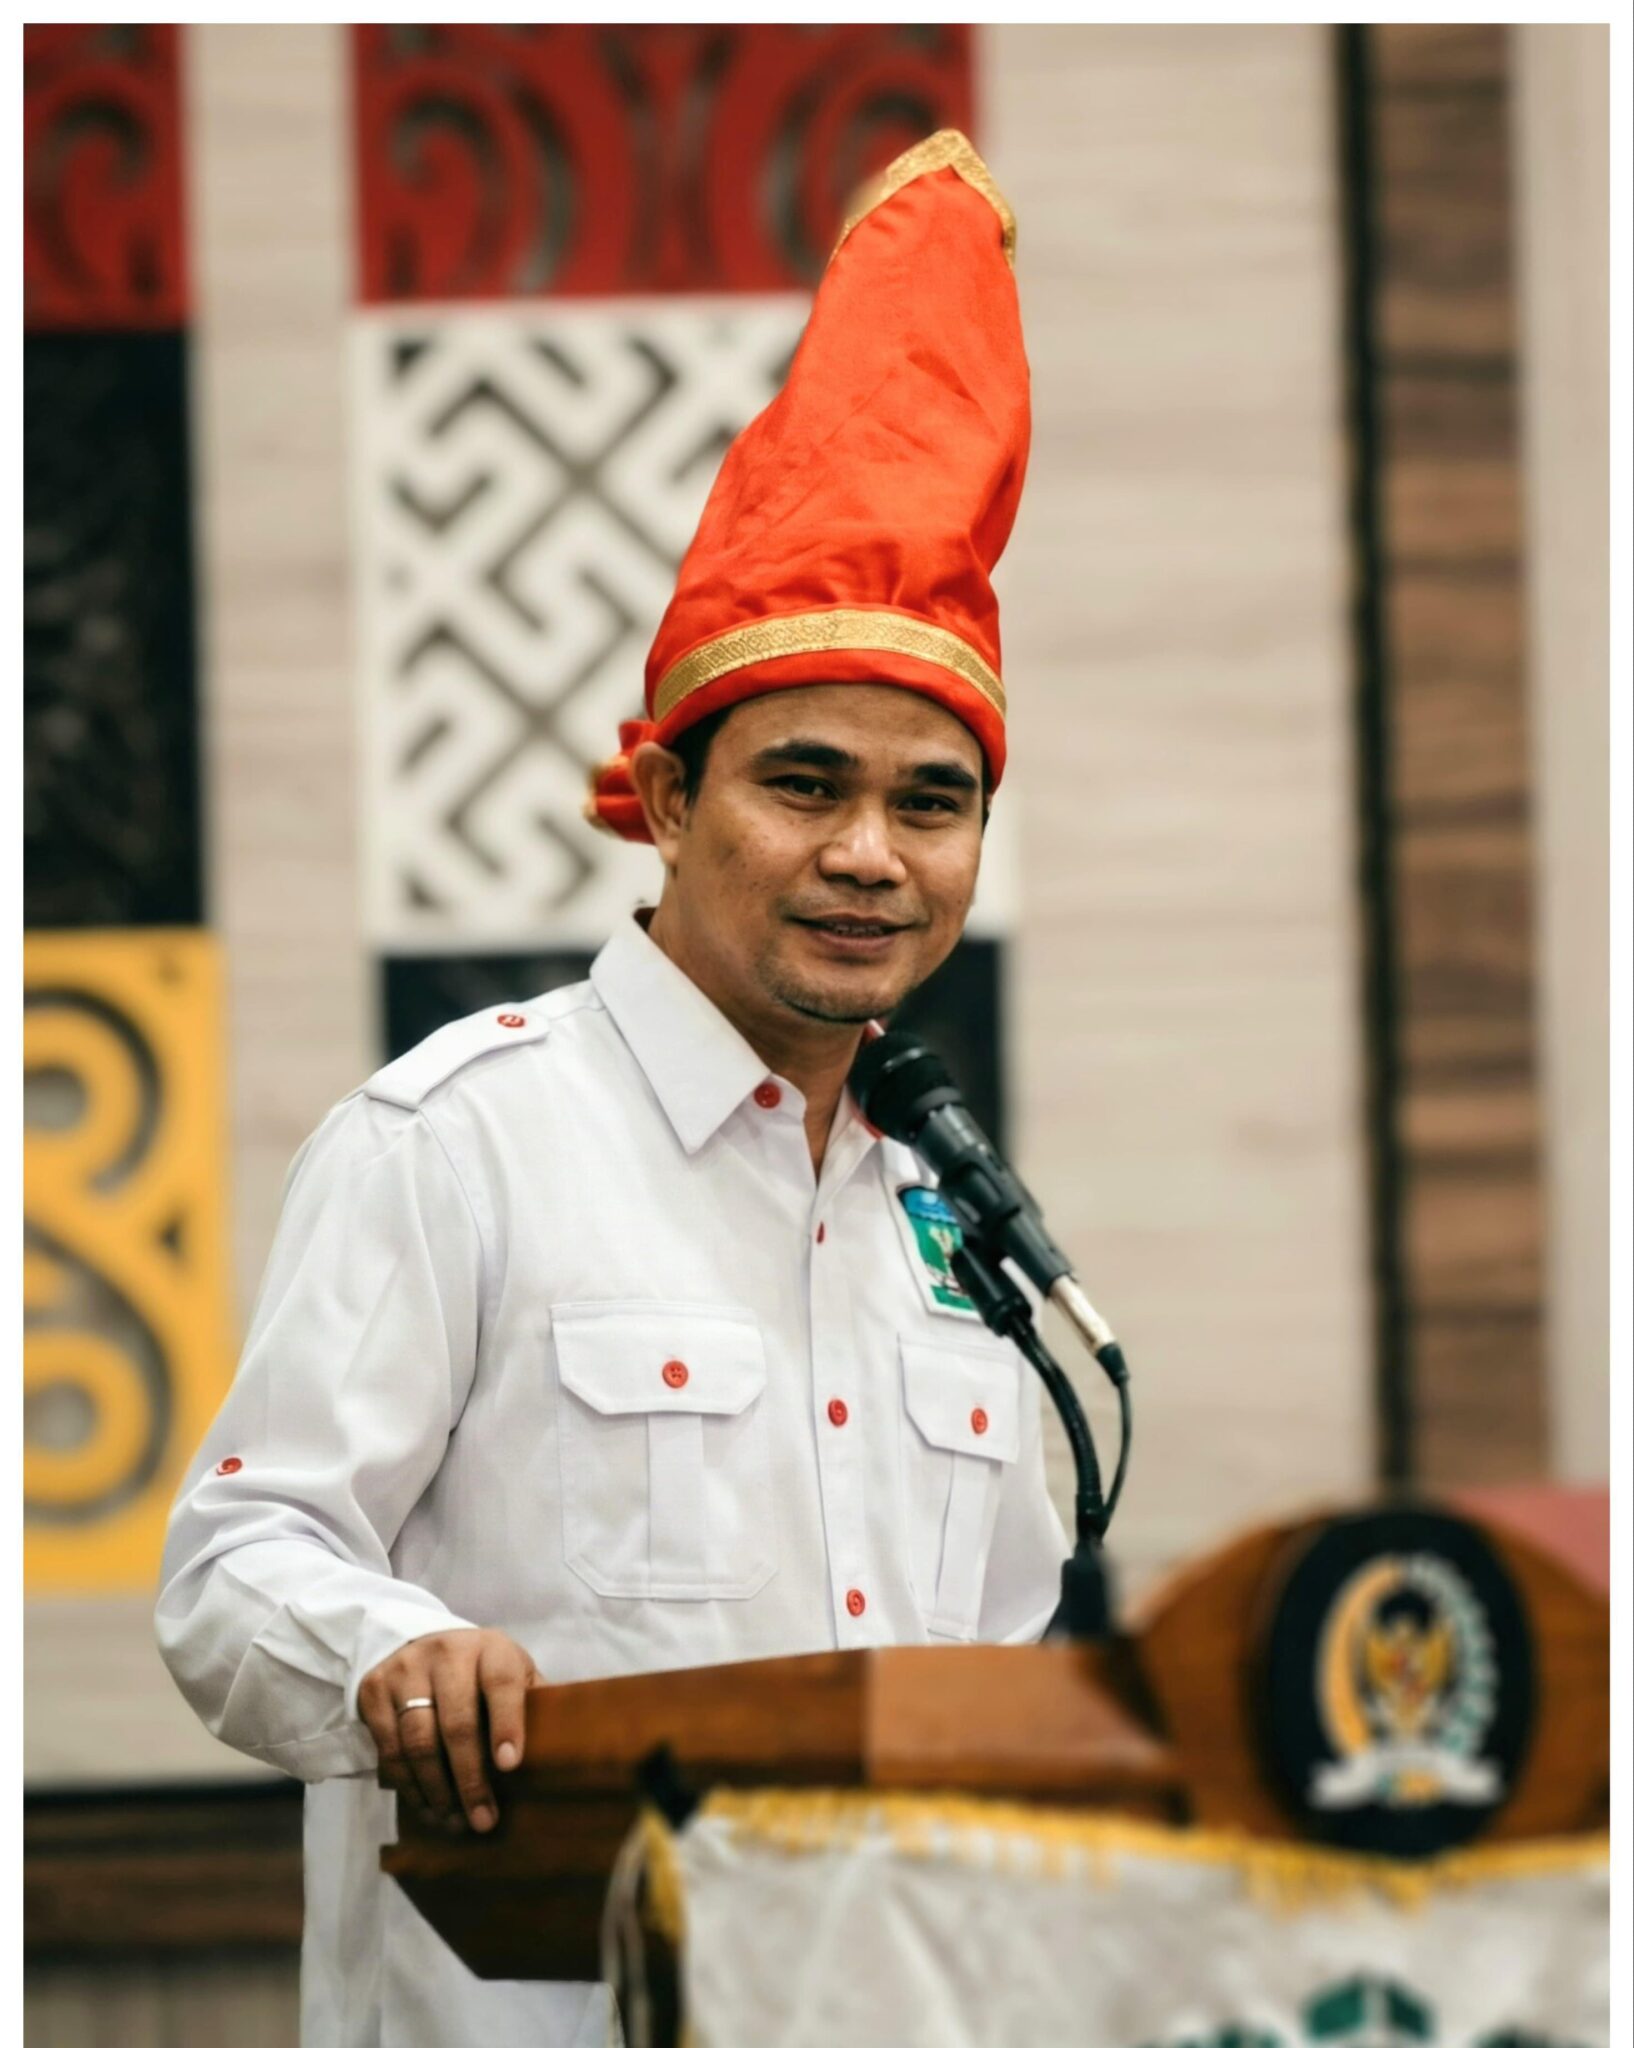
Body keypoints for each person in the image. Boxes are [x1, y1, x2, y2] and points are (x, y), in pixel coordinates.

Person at [156, 129, 1069, 2048]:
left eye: (931, 803)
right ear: (663, 798)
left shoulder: (957, 1226)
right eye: (802, 784)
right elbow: (235, 1567)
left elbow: (1003, 1683)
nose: (869, 856)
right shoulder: (460, 1142)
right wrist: (395, 1652)